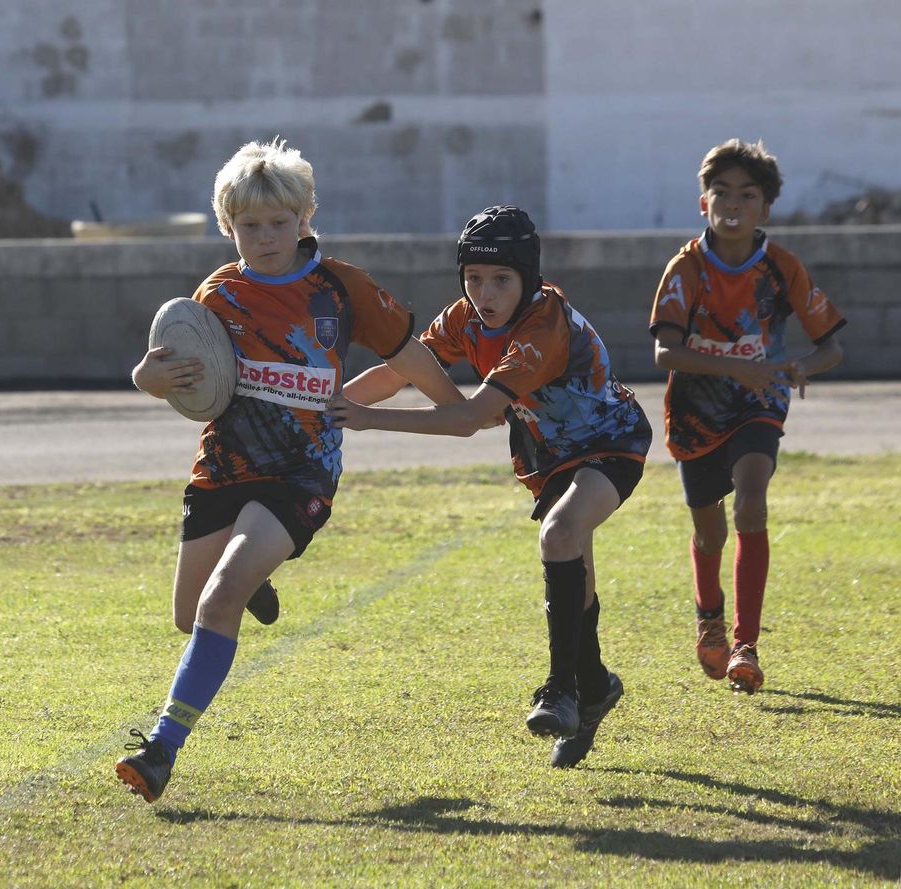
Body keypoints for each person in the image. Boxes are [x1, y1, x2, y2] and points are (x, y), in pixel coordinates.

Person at [116, 137, 466, 803]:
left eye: (280, 223)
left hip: (300, 475)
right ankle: (250, 584)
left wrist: (460, 409)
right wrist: (148, 376)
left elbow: (408, 354)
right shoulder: (216, 295)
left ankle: (162, 747)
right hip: (223, 467)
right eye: (250, 225)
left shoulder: (339, 286)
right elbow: (179, 381)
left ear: (305, 217)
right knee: (192, 616)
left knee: (218, 600)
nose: (266, 237)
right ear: (229, 226)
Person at [326, 205, 651, 769]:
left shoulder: (542, 326)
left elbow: (469, 419)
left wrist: (365, 417)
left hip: (610, 443)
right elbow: (402, 370)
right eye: (473, 278)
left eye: (502, 279)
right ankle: (595, 686)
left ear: (529, 279)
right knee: (580, 578)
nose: (485, 292)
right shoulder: (463, 318)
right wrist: (326, 405)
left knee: (560, 532)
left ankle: (560, 692)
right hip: (548, 458)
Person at [649, 139, 845, 694]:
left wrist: (802, 366)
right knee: (708, 533)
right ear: (703, 201)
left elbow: (831, 346)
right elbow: (664, 352)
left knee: (753, 497)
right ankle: (709, 616)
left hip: (759, 405)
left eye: (747, 194)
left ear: (766, 207)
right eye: (722, 192)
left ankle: (745, 645)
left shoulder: (782, 268)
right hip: (695, 412)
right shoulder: (686, 268)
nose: (732, 203)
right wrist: (736, 369)